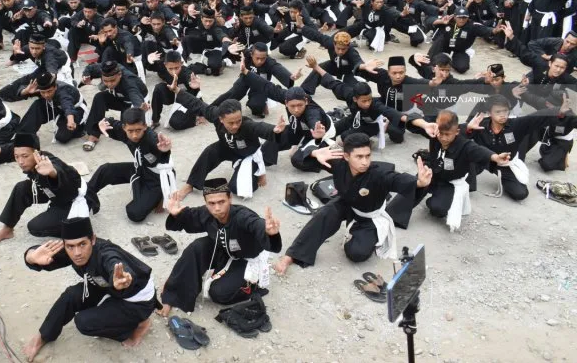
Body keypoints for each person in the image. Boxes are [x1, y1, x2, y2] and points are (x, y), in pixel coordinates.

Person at [274, 133, 433, 273]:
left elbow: (398, 180)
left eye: (367, 156)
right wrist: (314, 152)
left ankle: (369, 235)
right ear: (346, 156)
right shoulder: (338, 164)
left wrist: (419, 182)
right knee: (325, 213)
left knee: (356, 253)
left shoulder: (379, 174)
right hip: (347, 204)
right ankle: (292, 255)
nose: (365, 162)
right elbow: (299, 157)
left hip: (369, 217)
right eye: (359, 157)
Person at [22, 218, 156, 361]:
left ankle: (141, 324)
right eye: (70, 246)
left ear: (92, 239)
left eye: (82, 244)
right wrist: (31, 257)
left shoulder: (106, 252)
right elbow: (42, 256)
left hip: (135, 299)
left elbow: (115, 262)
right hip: (105, 286)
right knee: (71, 295)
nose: (77, 253)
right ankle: (43, 336)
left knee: (84, 322)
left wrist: (122, 278)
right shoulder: (73, 251)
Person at [158, 179, 281, 316]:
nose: (217, 208)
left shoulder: (242, 216)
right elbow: (190, 217)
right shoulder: (207, 213)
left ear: (230, 198)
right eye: (211, 203)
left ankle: (253, 284)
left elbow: (256, 224)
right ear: (206, 202)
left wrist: (269, 232)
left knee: (218, 293)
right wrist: (176, 214)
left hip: (245, 259)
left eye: (221, 202)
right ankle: (174, 295)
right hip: (223, 249)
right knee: (196, 247)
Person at [386, 110, 511, 232]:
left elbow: (480, 151)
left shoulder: (465, 145)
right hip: (431, 174)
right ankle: (391, 216)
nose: (443, 138)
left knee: (438, 209)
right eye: (441, 133)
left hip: (450, 182)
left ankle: (434, 200)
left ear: (456, 132)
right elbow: (412, 117)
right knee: (411, 187)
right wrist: (425, 125)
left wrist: (496, 157)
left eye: (448, 134)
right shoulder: (434, 133)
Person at [169, 78, 286, 200]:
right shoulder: (215, 114)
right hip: (227, 147)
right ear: (221, 119)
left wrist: (274, 130)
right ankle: (191, 184)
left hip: (247, 155)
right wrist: (177, 90)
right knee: (210, 151)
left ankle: (255, 174)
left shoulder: (247, 125)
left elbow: (260, 127)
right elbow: (197, 104)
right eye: (230, 123)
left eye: (238, 121)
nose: (235, 126)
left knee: (236, 189)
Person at [0, 133, 94, 247]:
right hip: (51, 192)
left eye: (24, 156)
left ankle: (75, 228)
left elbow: (65, 182)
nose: (20, 161)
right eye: (16, 157)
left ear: (36, 153)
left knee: (35, 227)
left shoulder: (49, 163)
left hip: (71, 198)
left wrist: (53, 173)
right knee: (21, 188)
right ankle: (7, 230)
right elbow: (14, 150)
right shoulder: (29, 155)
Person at [89, 108, 175, 222]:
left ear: (145, 126)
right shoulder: (123, 129)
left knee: (135, 213)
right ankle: (85, 196)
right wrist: (102, 123)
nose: (134, 135)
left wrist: (165, 151)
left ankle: (157, 195)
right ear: (124, 128)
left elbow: (164, 158)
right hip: (140, 168)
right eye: (130, 131)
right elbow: (109, 121)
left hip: (157, 178)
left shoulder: (152, 138)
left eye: (138, 130)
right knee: (105, 170)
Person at [80, 60, 148, 151]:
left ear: (119, 75)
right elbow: (90, 67)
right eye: (105, 81)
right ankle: (93, 134)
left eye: (112, 80)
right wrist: (86, 74)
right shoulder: (103, 69)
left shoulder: (129, 81)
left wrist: (140, 109)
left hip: (133, 104)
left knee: (126, 132)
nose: (109, 84)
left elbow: (136, 97)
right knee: (99, 97)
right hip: (119, 97)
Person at [16, 71, 87, 143]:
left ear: (55, 87)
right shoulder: (38, 86)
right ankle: (23, 135)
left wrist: (70, 120)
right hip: (56, 106)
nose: (46, 95)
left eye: (49, 91)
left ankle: (80, 127)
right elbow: (21, 89)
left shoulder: (64, 91)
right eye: (43, 92)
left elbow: (68, 106)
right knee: (38, 104)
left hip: (75, 110)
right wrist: (26, 91)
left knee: (62, 137)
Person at [149, 50, 202, 130]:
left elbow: (197, 93)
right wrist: (149, 60)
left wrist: (201, 113)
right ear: (165, 65)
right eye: (170, 68)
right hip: (172, 94)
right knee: (158, 88)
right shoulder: (162, 67)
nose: (174, 72)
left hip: (187, 100)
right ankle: (155, 120)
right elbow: (150, 66)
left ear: (181, 63)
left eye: (177, 68)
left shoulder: (187, 73)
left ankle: (194, 119)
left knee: (175, 123)